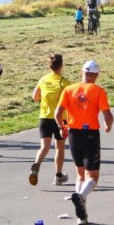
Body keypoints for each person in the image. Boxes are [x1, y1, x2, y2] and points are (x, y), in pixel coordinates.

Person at [56, 60, 113, 225]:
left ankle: (82, 218)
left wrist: (62, 126)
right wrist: (108, 125)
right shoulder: (98, 90)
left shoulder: (69, 89)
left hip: (73, 134)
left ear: (82, 72)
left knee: (80, 173)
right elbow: (108, 115)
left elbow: (58, 112)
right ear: (96, 75)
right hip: (91, 135)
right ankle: (81, 196)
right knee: (93, 177)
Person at [29, 54, 71, 187]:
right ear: (61, 66)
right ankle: (58, 176)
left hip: (44, 117)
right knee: (60, 148)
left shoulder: (43, 79)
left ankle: (36, 166)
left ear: (49, 66)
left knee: (44, 147)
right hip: (60, 119)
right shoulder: (64, 82)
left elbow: (35, 97)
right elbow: (70, 102)